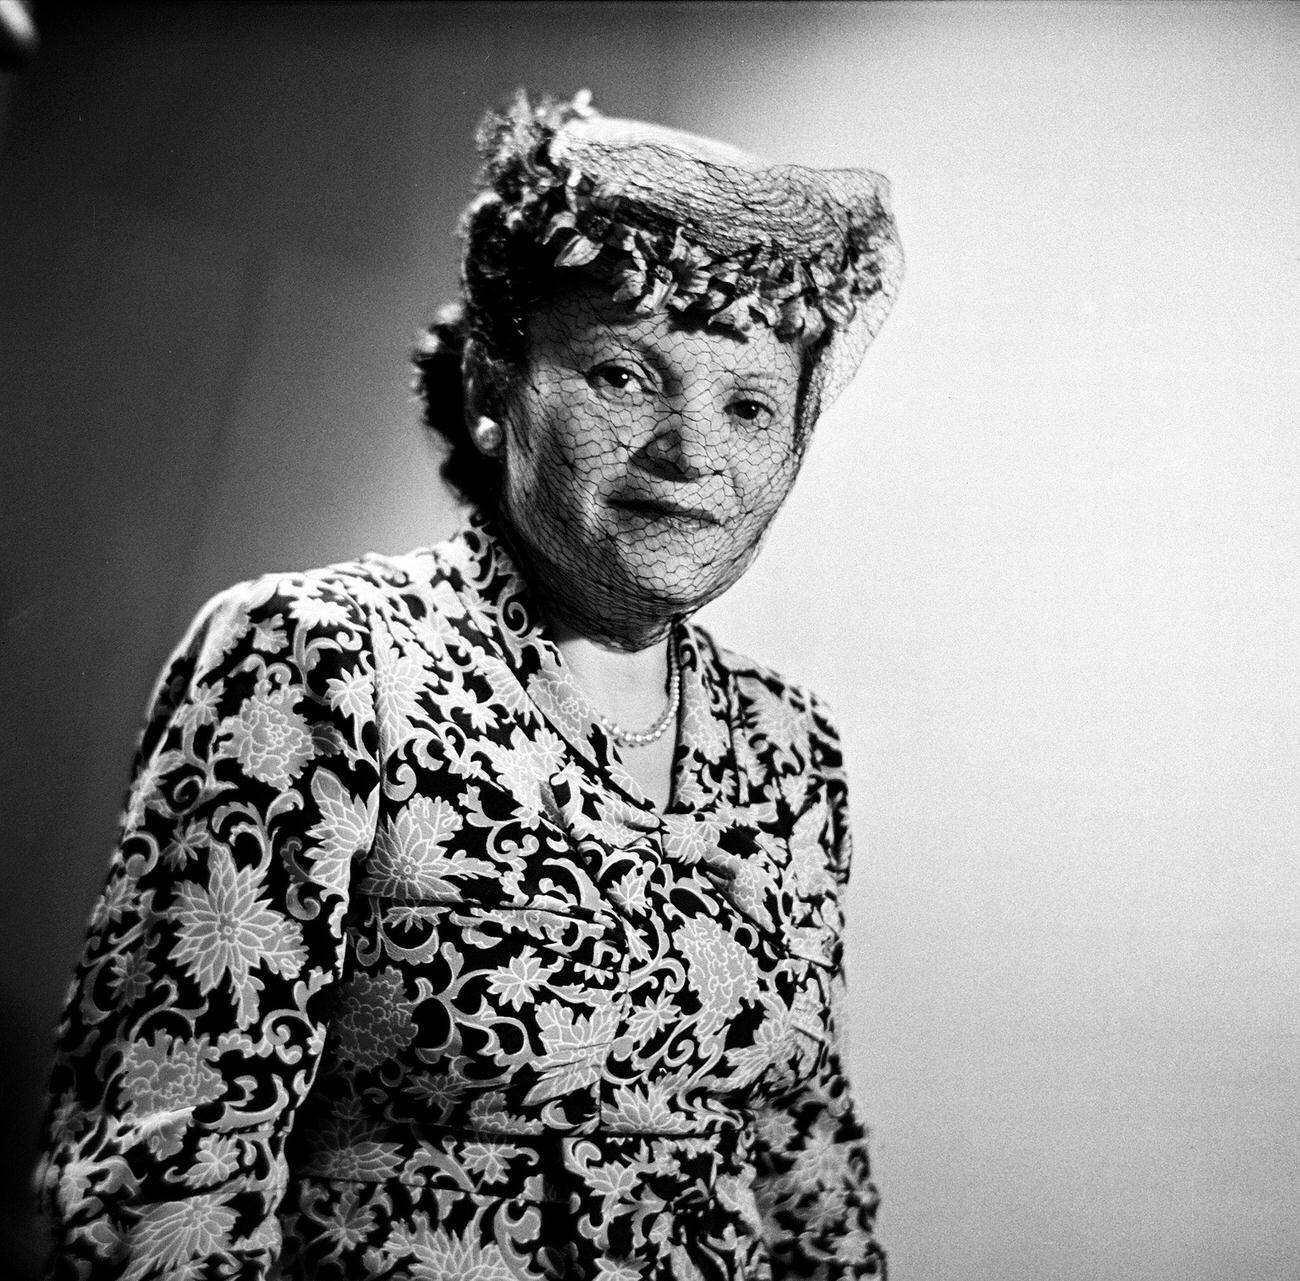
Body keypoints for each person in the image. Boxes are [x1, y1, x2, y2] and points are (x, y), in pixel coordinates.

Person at [39, 91, 903, 1280]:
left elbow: (810, 1175)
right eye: (621, 376)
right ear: (497, 384)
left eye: (749, 403)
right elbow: (165, 1173)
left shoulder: (791, 749)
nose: (691, 450)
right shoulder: (325, 658)